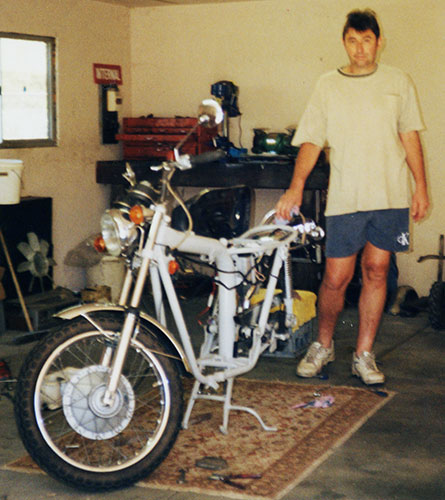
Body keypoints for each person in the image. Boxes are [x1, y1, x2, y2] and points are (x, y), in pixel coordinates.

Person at [275, 8, 429, 385]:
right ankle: (323, 346)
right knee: (336, 277)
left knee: (377, 271)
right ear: (344, 42)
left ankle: (364, 353)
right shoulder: (328, 84)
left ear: (379, 42)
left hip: (390, 196)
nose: (360, 49)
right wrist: (296, 186)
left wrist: (421, 186)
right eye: (352, 41)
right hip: (345, 198)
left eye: (367, 40)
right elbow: (311, 139)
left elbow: (409, 135)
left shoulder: (398, 81)